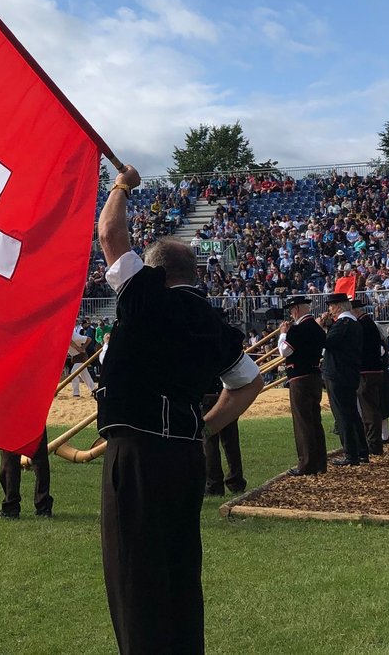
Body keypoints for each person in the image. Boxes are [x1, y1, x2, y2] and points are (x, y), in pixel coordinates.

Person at [96, 164, 264, 655]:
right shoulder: (214, 322)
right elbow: (249, 383)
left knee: (134, 578)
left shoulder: (145, 295)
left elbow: (109, 232)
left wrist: (122, 184)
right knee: (179, 572)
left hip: (137, 452)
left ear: (157, 271)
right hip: (186, 456)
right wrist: (205, 430)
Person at [279, 295, 326, 475]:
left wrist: (284, 333)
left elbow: (284, 351)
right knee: (315, 421)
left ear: (296, 309)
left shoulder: (298, 329)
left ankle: (306, 464)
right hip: (314, 376)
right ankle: (320, 463)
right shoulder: (317, 328)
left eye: (291, 310)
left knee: (302, 422)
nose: (291, 314)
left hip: (299, 377)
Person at [321, 293, 367, 466]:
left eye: (331, 306)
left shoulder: (343, 324)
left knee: (343, 414)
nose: (330, 310)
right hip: (349, 372)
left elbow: (328, 342)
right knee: (352, 413)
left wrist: (320, 327)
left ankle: (350, 453)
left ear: (338, 306)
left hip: (338, 373)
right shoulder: (353, 323)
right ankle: (361, 450)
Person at [353, 298, 387, 457]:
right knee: (370, 408)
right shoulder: (368, 323)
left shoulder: (362, 325)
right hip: (373, 370)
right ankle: (373, 442)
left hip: (367, 371)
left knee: (369, 410)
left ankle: (373, 444)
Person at [0, 429, 52, 519]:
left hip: (14, 420)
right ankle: (44, 507)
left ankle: (11, 507)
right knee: (40, 460)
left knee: (10, 460)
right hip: (35, 419)